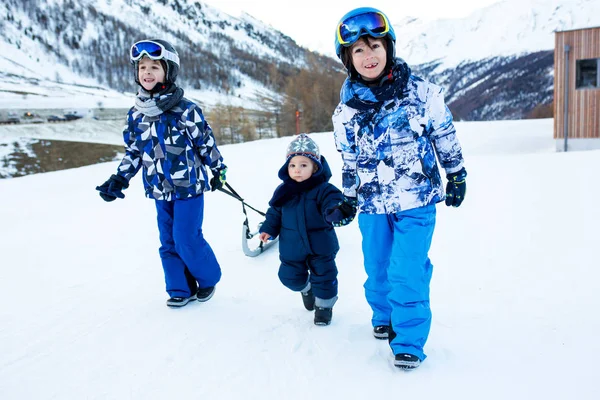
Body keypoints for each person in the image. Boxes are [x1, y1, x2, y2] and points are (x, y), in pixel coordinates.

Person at [330, 7, 467, 369]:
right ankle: (384, 314)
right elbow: (348, 158)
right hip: (373, 205)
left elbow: (444, 134)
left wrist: (456, 172)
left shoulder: (421, 93)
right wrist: (347, 197)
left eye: (374, 45)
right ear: (348, 59)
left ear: (388, 47)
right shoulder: (345, 112)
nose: (368, 55)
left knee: (405, 269)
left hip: (416, 201)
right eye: (358, 50)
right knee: (376, 266)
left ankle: (408, 339)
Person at [96, 39, 227, 308]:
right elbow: (133, 151)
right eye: (142, 67)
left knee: (186, 238)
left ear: (168, 71)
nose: (147, 72)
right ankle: (180, 289)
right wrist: (119, 178)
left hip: (188, 187)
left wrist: (218, 170)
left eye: (154, 66)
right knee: (168, 241)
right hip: (158, 189)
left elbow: (206, 143)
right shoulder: (136, 115)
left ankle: (208, 278)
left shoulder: (185, 109)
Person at [258, 134, 352, 326]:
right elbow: (275, 212)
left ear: (315, 167)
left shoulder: (324, 189)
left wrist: (335, 211)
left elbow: (334, 202)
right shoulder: (283, 191)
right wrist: (269, 228)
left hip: (321, 246)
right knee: (288, 277)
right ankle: (306, 288)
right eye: (292, 165)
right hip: (292, 247)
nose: (297, 170)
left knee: (325, 279)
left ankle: (324, 308)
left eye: (303, 165)